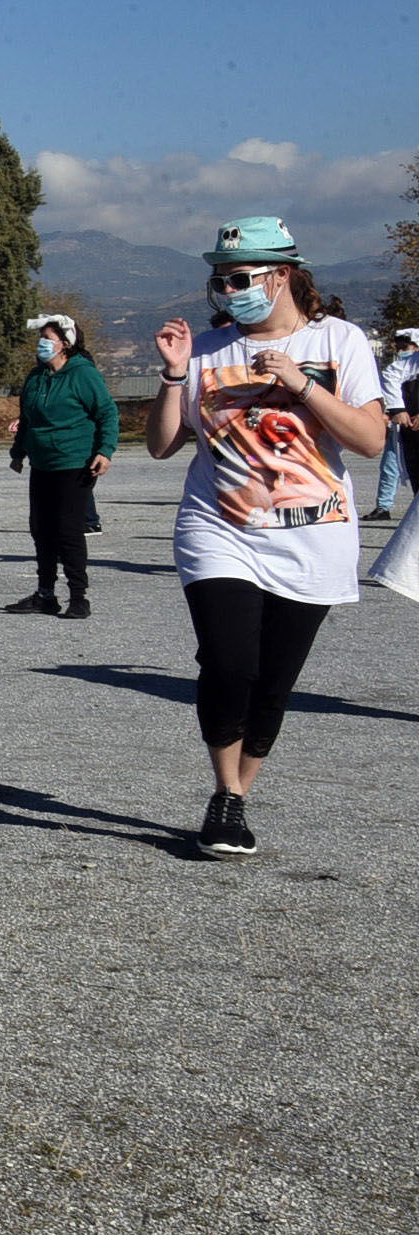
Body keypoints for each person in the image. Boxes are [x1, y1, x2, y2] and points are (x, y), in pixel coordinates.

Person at [145, 216, 388, 859]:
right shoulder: (203, 348)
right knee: (227, 663)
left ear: (282, 276)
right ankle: (224, 792)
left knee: (273, 682)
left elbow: (369, 442)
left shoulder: (340, 341)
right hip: (218, 528)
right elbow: (163, 446)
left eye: (241, 277)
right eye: (219, 279)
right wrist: (173, 375)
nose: (227, 290)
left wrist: (301, 383)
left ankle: (238, 795)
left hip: (313, 534)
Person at [4, 311, 118, 618]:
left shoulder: (83, 374)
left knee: (68, 529)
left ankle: (78, 597)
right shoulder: (36, 376)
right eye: (40, 338)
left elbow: (107, 413)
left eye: (47, 339)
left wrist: (105, 451)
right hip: (42, 463)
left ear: (65, 343)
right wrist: (19, 452)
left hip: (74, 462)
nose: (41, 344)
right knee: (41, 529)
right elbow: (27, 418)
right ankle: (45, 594)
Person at [374, 325, 419, 520]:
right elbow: (390, 375)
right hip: (411, 433)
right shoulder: (410, 364)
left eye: (407, 346)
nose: (402, 350)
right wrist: (399, 409)